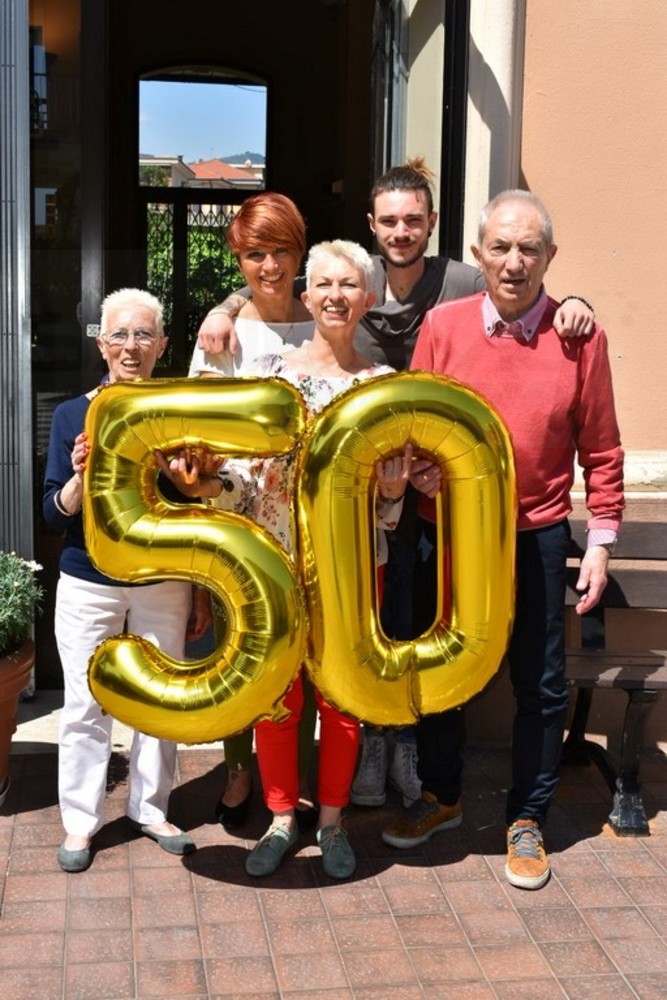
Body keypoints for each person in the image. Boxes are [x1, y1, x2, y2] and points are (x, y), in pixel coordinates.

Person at [192, 159, 597, 814]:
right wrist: (225, 302)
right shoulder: (348, 281)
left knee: (403, 637)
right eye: (389, 221)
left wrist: (575, 305)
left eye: (413, 220)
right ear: (371, 227)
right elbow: (275, 285)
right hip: (363, 514)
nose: (401, 231)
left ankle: (397, 753)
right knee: (324, 660)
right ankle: (316, 786)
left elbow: (525, 277)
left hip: (416, 500)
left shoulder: (463, 279)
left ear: (433, 226)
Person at [159, 240, 439, 879]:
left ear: (367, 299)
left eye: (350, 285)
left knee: (341, 700)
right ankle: (284, 819)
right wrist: (207, 488)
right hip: (275, 563)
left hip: (352, 572)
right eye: (325, 285)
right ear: (307, 296)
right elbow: (246, 478)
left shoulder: (381, 387)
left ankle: (333, 822)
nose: (336, 295)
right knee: (277, 698)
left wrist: (391, 492)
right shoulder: (273, 379)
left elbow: (386, 506)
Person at [380, 190, 624, 892]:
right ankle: (443, 796)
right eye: (500, 247)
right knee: (434, 672)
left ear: (549, 256)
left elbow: (601, 450)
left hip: (536, 534)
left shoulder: (580, 336)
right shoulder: (441, 325)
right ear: (478, 253)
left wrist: (601, 541)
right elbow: (414, 422)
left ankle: (527, 817)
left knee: (540, 685)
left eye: (528, 249)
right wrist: (419, 467)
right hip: (443, 534)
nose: (513, 263)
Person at [43, 288, 209, 873]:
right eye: (120, 335)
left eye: (143, 335)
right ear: (101, 344)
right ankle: (81, 824)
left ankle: (151, 809)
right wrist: (79, 477)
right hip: (88, 579)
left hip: (163, 578)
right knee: (85, 705)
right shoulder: (72, 415)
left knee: (159, 701)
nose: (131, 347)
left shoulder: (181, 412)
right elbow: (51, 510)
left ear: (164, 344)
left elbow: (199, 499)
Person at [189, 192, 318, 833]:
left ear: (300, 253)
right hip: (239, 524)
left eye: (281, 251)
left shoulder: (327, 315)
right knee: (242, 654)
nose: (269, 266)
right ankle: (241, 771)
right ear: (238, 260)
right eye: (254, 254)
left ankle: (295, 781)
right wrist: (224, 307)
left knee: (308, 656)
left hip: (314, 529)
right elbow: (198, 430)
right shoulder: (223, 336)